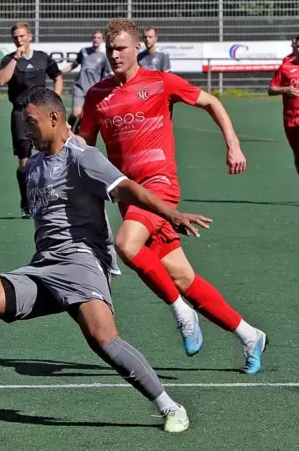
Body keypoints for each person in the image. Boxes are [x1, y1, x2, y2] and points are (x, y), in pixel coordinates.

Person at [0, 87, 200, 433]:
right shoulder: (35, 166)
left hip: (81, 264)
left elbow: (127, 187)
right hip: (44, 266)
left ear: (54, 118)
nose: (26, 131)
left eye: (31, 122)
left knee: (104, 341)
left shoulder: (82, 156)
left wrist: (170, 213)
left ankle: (170, 406)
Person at [78, 19, 267, 373]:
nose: (114, 54)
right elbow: (85, 145)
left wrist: (233, 144)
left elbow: (211, 102)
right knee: (183, 278)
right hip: (129, 196)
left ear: (137, 48)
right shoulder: (97, 95)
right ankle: (249, 334)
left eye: (121, 48)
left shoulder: (160, 82)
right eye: (110, 48)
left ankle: (182, 313)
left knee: (128, 246)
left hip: (161, 184)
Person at [0, 22, 64, 218]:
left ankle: (51, 199)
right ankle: (27, 201)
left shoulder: (43, 58)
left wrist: (55, 100)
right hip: (20, 114)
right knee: (24, 163)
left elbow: (57, 77)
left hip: (43, 114)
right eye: (16, 37)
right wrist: (15, 59)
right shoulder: (10, 59)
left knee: (51, 155)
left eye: (22, 36)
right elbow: (1, 80)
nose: (19, 40)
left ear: (30, 36)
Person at [61, 30, 112, 132]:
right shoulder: (84, 52)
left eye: (98, 38)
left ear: (102, 40)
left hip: (92, 91)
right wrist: (59, 72)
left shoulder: (103, 57)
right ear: (91, 38)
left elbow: (108, 74)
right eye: (94, 37)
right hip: (80, 88)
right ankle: (65, 130)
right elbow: (73, 65)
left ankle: (76, 134)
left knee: (84, 116)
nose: (96, 40)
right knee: (76, 113)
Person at [267, 35, 299, 173]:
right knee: (298, 154)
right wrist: (286, 89)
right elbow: (271, 89)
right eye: (298, 46)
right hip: (292, 118)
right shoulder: (286, 66)